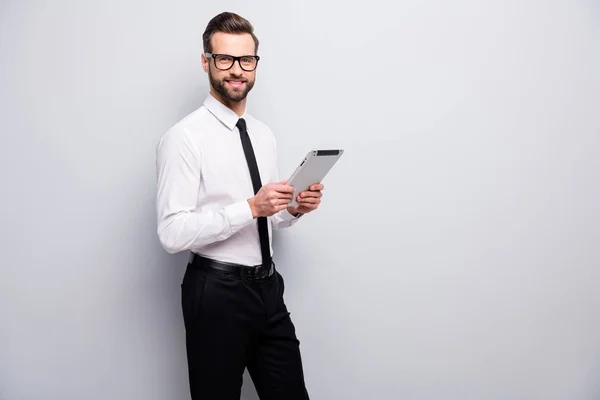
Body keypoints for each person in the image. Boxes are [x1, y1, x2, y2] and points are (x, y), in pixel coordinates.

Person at [155, 11, 324, 400]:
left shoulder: (263, 134)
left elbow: (270, 217)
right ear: (206, 62)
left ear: (255, 64)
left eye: (246, 60)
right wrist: (248, 207)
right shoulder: (183, 138)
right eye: (225, 59)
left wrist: (294, 208)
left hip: (268, 288)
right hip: (215, 292)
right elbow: (171, 232)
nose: (237, 70)